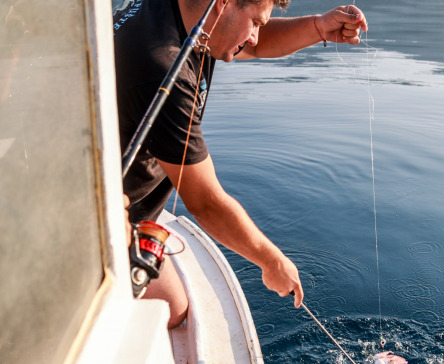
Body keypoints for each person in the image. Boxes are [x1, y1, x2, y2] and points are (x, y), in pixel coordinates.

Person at [113, 0, 368, 328]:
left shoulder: (185, 17)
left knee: (173, 305)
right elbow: (205, 202)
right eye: (257, 22)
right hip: (90, 219)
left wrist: (318, 27)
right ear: (223, 4)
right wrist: (271, 261)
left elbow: (250, 47)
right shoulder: (162, 67)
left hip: (100, 191)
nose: (256, 37)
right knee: (172, 310)